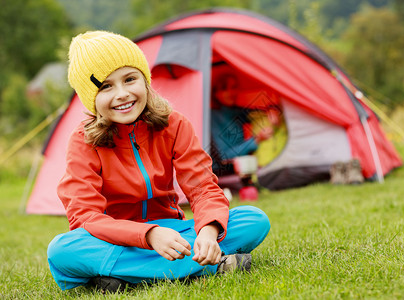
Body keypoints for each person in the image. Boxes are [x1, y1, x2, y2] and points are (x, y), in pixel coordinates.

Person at [47, 31, 270, 293]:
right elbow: (85, 217)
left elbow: (203, 188)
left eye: (130, 79)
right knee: (62, 250)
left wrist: (208, 233)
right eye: (106, 86)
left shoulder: (174, 125)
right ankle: (208, 266)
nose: (122, 94)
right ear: (90, 96)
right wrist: (149, 235)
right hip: (117, 239)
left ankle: (126, 276)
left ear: (145, 80)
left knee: (253, 219)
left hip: (173, 230)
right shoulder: (83, 141)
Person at [210, 74, 273, 175]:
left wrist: (271, 109)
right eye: (224, 88)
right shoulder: (212, 116)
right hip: (222, 172)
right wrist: (256, 140)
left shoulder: (235, 111)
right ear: (216, 93)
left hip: (241, 165)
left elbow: (257, 113)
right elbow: (224, 156)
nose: (231, 92)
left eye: (234, 87)